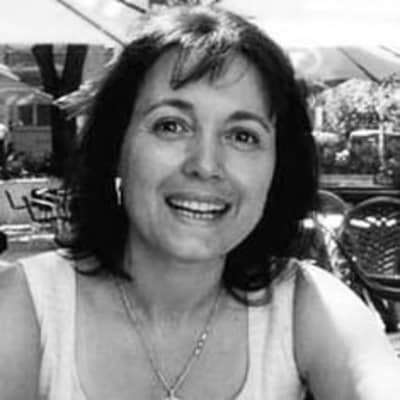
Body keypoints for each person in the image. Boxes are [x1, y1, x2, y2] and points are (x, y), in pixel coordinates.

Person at [0, 5, 399, 400]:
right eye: (171, 126)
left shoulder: (308, 308)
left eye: (242, 136)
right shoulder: (27, 306)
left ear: (278, 166)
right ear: (116, 146)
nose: (206, 165)